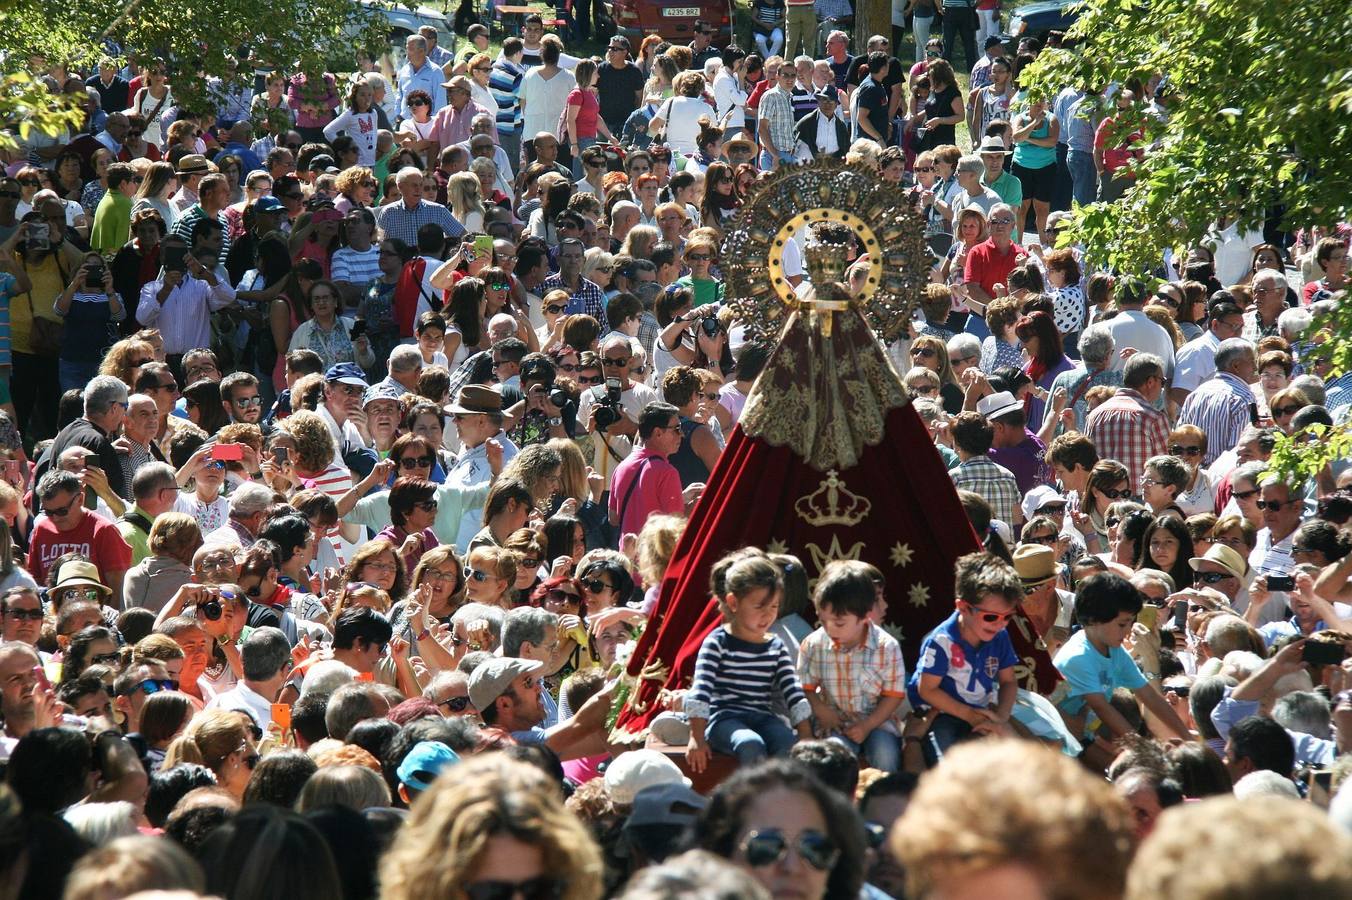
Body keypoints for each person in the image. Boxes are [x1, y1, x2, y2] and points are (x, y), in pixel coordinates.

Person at [684, 549, 812, 771]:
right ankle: (753, 792)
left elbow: (793, 690)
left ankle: (782, 790)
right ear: (733, 602)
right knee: (750, 743)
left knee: (786, 743)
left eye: (773, 607)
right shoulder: (717, 642)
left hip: (762, 716)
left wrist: (805, 734)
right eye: (759, 606)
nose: (767, 615)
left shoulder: (776, 645)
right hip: (724, 719)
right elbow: (701, 690)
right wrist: (696, 736)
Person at [907, 551, 1020, 765]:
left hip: (982, 710)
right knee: (947, 765)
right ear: (963, 607)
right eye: (991, 617)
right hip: (940, 713)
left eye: (1008, 617)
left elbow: (1008, 681)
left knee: (1017, 760)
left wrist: (1001, 717)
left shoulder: (1000, 636)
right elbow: (927, 690)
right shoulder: (942, 641)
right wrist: (969, 716)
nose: (1000, 624)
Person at [797, 560, 906, 772]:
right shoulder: (813, 645)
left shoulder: (887, 647)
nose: (829, 629)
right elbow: (804, 686)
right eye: (823, 620)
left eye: (839, 623)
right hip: (835, 723)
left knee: (885, 755)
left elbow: (893, 696)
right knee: (833, 759)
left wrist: (867, 725)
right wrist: (821, 710)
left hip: (877, 722)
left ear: (864, 616)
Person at [28, 470, 131, 605]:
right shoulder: (41, 531)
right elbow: (35, 583)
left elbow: (118, 591)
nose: (55, 518)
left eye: (62, 511)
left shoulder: (103, 531)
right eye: (48, 512)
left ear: (80, 500)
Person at [1085, 352, 1170, 484]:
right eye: (1162, 382)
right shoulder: (1153, 419)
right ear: (1150, 382)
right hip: (1140, 495)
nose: (1162, 388)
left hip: (1101, 494)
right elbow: (1168, 468)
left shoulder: (1094, 415)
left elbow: (1087, 463)